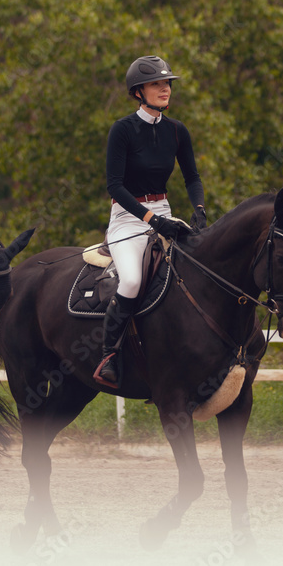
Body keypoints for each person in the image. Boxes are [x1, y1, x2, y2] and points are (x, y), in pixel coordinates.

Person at [93, 55, 208, 388]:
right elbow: (115, 185)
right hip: (128, 219)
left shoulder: (177, 131)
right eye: (157, 84)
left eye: (167, 83)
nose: (165, 88)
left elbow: (192, 176)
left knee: (197, 270)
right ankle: (109, 355)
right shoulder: (123, 130)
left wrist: (198, 209)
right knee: (130, 281)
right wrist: (150, 221)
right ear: (138, 92)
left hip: (165, 213)